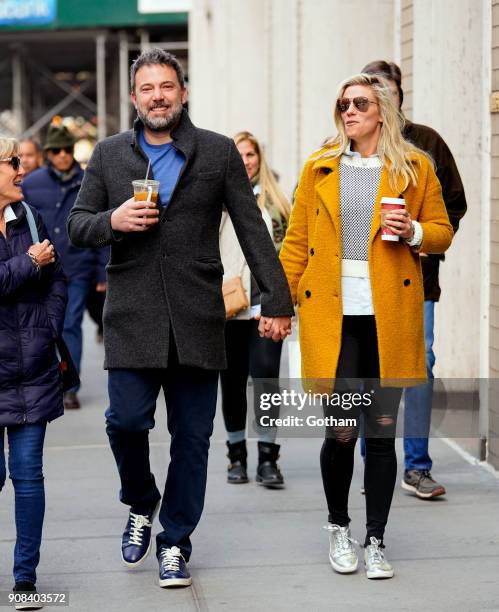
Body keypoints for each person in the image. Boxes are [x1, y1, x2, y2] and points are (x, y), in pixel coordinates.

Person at [67, 48, 292, 589]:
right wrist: (114, 220)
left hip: (197, 315)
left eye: (167, 86)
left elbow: (251, 229)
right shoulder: (109, 154)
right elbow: (78, 225)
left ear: (183, 92)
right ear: (133, 97)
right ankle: (142, 501)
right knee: (124, 423)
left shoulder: (216, 153)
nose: (158, 96)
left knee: (192, 439)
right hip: (132, 315)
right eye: (147, 88)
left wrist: (277, 299)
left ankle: (175, 541)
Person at [279, 73, 453, 579]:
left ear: (382, 112)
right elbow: (296, 242)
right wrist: (281, 306)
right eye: (343, 104)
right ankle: (338, 528)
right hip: (335, 317)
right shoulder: (320, 167)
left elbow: (441, 231)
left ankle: (376, 539)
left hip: (389, 316)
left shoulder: (415, 167)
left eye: (360, 104)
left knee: (380, 434)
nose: (349, 111)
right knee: (340, 434)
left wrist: (414, 230)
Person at [361, 60, 467, 499]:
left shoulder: (426, 144)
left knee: (419, 365)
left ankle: (417, 467)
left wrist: (423, 236)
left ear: (399, 97)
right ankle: (373, 460)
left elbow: (454, 205)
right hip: (366, 281)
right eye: (370, 94)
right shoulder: (352, 148)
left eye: (388, 91)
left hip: (418, 277)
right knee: (371, 368)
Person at [0, 137, 67, 607]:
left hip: (32, 368)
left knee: (28, 478)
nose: (22, 170)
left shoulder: (28, 217)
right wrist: (27, 262)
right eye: (12, 164)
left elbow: (58, 278)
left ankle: (26, 580)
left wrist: (48, 325)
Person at [220, 131, 291, 487]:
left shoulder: (275, 203)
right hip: (228, 305)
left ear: (259, 159)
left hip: (265, 305)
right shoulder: (217, 199)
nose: (245, 160)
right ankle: (236, 456)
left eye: (251, 154)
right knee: (231, 383)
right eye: (239, 154)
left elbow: (289, 252)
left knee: (265, 381)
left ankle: (267, 458)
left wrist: (285, 300)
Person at [22, 125, 108, 410]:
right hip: (41, 267)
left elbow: (99, 227)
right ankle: (45, 381)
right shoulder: (32, 184)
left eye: (67, 150)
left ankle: (71, 387)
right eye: (56, 151)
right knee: (44, 325)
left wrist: (101, 271)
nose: (62, 156)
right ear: (48, 154)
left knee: (71, 324)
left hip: (77, 267)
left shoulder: (88, 181)